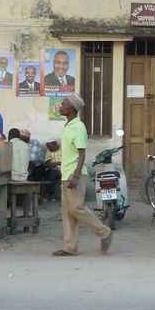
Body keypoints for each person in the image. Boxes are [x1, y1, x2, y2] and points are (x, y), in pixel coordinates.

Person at [52, 93, 113, 256]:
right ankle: (70, 247)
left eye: (64, 104)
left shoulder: (78, 127)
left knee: (76, 208)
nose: (61, 107)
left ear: (72, 108)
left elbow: (82, 153)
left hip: (74, 174)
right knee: (67, 212)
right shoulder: (68, 126)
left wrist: (76, 175)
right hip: (66, 173)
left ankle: (104, 232)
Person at [41, 138, 62, 203]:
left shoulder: (63, 149)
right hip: (53, 170)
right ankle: (48, 194)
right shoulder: (48, 151)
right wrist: (60, 162)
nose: (49, 148)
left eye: (50, 146)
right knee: (52, 173)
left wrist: (55, 163)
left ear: (55, 144)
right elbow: (49, 164)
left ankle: (47, 195)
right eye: (48, 147)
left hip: (64, 169)